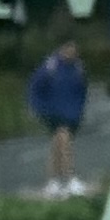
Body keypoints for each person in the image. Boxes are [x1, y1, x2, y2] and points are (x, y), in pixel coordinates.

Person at [29, 27, 91, 196]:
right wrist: (40, 110)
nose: (73, 51)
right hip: (53, 114)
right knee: (64, 142)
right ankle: (70, 179)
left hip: (71, 114)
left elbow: (82, 91)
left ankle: (53, 182)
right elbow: (35, 89)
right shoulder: (51, 67)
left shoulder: (78, 68)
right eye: (69, 48)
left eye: (74, 48)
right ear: (62, 48)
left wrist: (79, 111)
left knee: (57, 146)